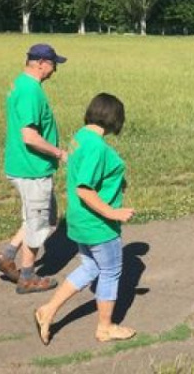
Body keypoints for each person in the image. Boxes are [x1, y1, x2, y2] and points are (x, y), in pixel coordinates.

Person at [34, 93, 136, 345]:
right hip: (98, 224)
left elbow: (85, 173)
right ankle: (105, 327)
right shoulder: (97, 147)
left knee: (90, 268)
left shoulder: (80, 137)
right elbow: (84, 188)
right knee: (110, 272)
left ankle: (47, 310)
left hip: (79, 221)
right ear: (115, 118)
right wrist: (114, 213)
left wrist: (115, 181)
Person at [0, 43, 68, 294]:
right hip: (31, 169)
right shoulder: (31, 92)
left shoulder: (21, 84)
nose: (54, 70)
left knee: (39, 217)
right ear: (41, 63)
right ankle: (27, 277)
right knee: (38, 224)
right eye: (53, 64)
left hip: (25, 166)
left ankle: (7, 256)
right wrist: (59, 153)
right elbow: (30, 137)